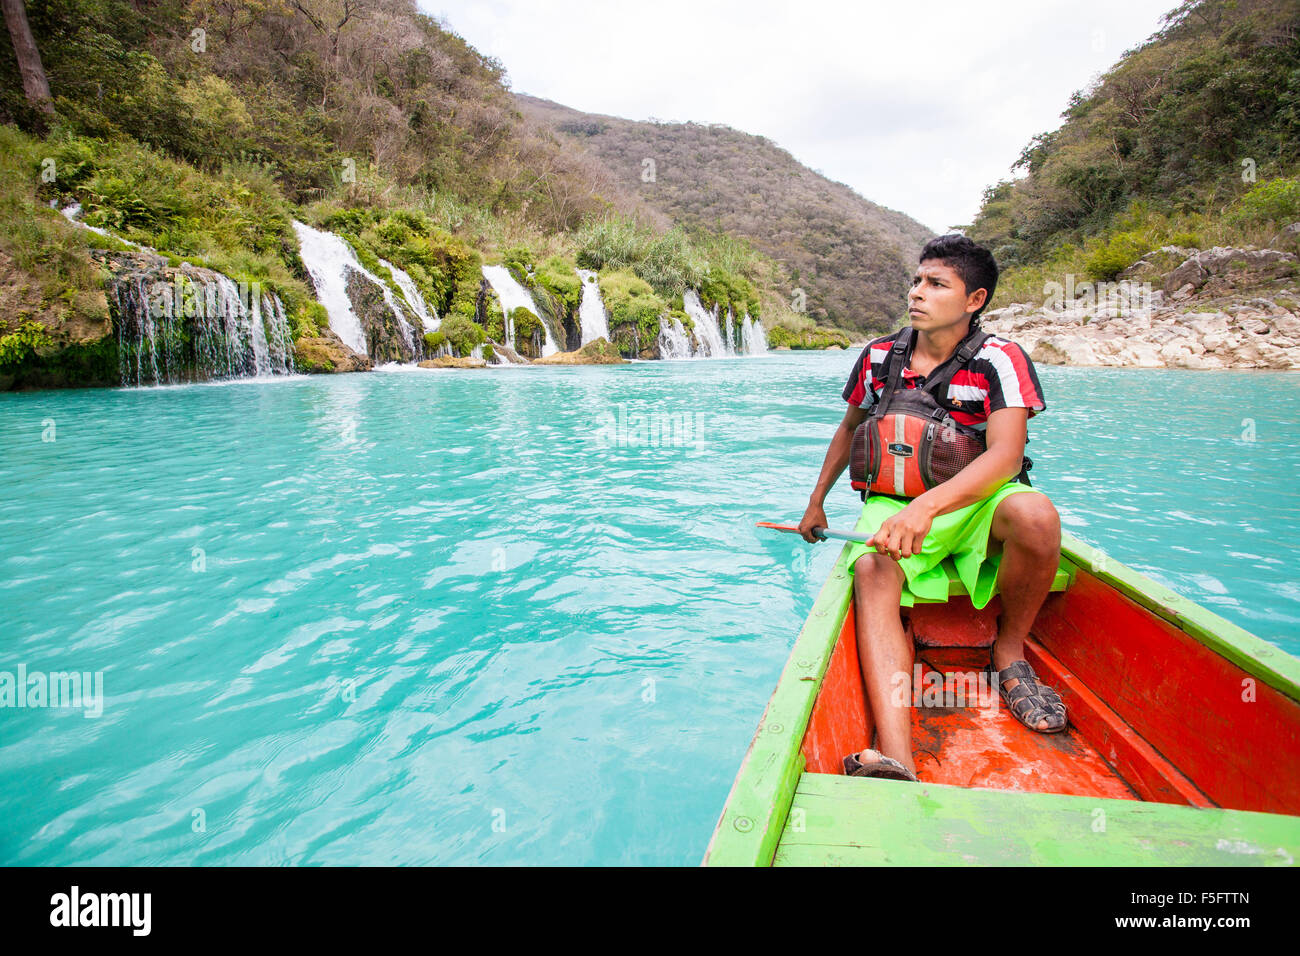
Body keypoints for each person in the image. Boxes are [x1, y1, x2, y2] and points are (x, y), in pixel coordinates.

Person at [797, 234, 1066, 782]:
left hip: (972, 504)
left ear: (975, 300)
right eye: (917, 280)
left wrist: (926, 510)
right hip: (892, 501)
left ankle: (1009, 652)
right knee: (873, 568)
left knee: (1038, 516)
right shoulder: (877, 356)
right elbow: (850, 429)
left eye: (936, 284)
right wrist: (815, 502)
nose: (918, 293)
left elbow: (1006, 455)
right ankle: (898, 757)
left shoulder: (999, 359)